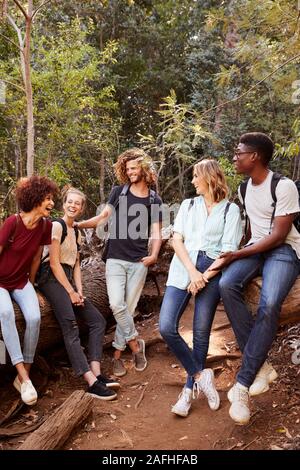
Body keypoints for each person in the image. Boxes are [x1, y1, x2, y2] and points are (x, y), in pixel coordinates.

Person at [216, 132, 300, 425]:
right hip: (256, 249)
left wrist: (238, 256)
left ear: (255, 156)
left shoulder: (284, 186)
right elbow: (254, 230)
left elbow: (277, 236)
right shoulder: (243, 188)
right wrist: (238, 252)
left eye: (239, 152)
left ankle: (242, 385)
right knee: (227, 284)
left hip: (284, 251)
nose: (235, 157)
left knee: (270, 303)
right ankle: (261, 365)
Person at [159, 159, 243, 417]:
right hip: (183, 266)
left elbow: (228, 251)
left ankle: (187, 393)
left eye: (196, 176)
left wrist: (204, 276)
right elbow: (176, 238)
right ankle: (200, 374)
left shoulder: (231, 211)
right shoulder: (188, 204)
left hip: (212, 270)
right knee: (166, 327)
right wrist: (193, 272)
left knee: (200, 332)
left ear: (209, 178)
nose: (193, 181)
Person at [78, 148, 163, 377]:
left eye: (134, 168)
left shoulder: (154, 199)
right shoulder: (119, 192)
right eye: (127, 169)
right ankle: (136, 346)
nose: (130, 172)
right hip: (115, 258)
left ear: (144, 169)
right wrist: (77, 224)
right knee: (117, 305)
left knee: (128, 307)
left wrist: (154, 255)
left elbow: (156, 232)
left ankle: (116, 355)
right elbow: (102, 217)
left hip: (138, 261)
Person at [37, 187, 118, 400]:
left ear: (82, 208)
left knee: (97, 321)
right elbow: (54, 264)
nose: (73, 206)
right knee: (70, 325)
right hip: (51, 277)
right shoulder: (57, 226)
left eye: (77, 203)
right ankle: (90, 381)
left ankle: (97, 372)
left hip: (68, 278)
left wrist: (80, 291)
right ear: (64, 204)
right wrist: (70, 291)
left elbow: (76, 265)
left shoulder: (78, 232)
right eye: (69, 202)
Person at [0, 176, 58, 405]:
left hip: (22, 282)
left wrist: (31, 284)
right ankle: (24, 377)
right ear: (35, 199)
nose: (52, 203)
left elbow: (36, 256)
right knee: (5, 314)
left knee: (34, 317)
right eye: (47, 199)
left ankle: (25, 372)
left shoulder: (45, 225)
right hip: (1, 282)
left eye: (52, 199)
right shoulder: (12, 223)